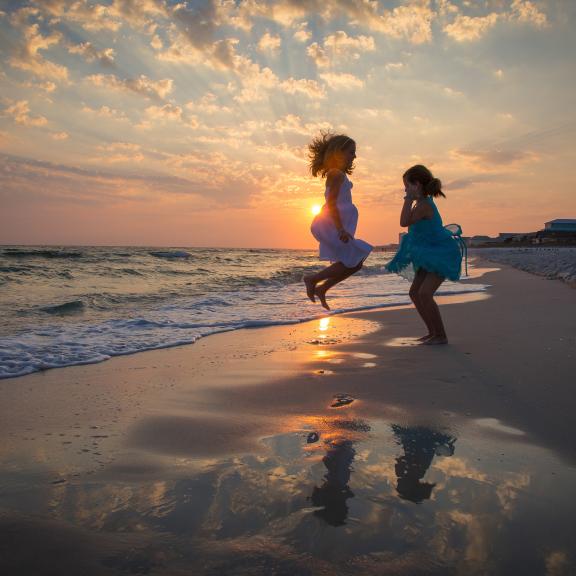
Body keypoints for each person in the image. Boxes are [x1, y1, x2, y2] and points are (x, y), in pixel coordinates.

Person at [386, 165, 464, 345]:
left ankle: (441, 335)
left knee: (425, 293)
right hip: (428, 253)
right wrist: (410, 199)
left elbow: (403, 222)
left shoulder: (424, 205)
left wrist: (407, 199)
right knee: (415, 293)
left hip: (441, 254)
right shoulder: (420, 204)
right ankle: (433, 332)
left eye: (406, 186)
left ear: (417, 184)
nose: (405, 190)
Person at [304, 132, 372, 310]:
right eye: (351, 152)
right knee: (356, 259)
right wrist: (340, 229)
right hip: (332, 225)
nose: (354, 156)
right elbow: (331, 203)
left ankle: (322, 288)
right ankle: (313, 280)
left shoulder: (339, 174)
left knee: (356, 262)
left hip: (334, 224)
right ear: (339, 153)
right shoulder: (335, 174)